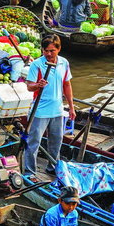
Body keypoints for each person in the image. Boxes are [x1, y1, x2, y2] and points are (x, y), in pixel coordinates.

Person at [24, 34, 75, 176]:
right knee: (33, 143)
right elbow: (29, 86)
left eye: (52, 51)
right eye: (45, 50)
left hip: (57, 110)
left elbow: (67, 85)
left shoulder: (64, 63)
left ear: (58, 49)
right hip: (39, 111)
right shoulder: (37, 64)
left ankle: (53, 168)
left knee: (56, 142)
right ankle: (29, 172)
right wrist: (37, 85)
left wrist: (71, 107)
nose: (48, 54)